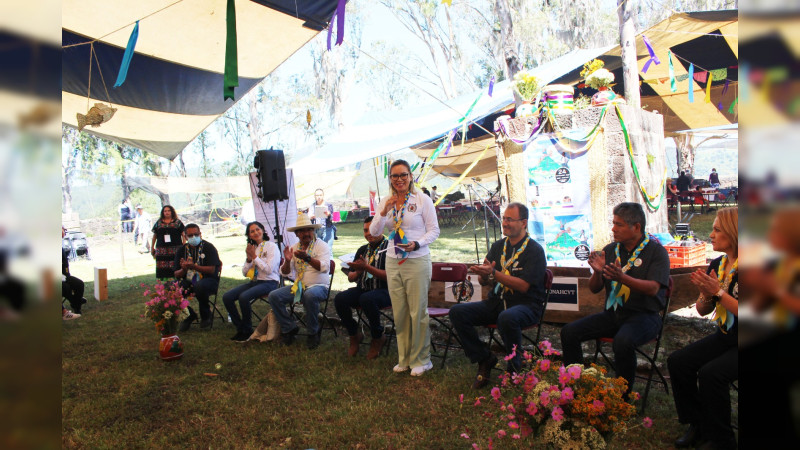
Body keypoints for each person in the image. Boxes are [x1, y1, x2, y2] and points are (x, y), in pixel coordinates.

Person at [560, 202, 670, 397]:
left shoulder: (656, 252)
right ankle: (576, 387)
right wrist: (598, 272)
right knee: (569, 332)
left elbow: (653, 289)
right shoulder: (610, 250)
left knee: (623, 341)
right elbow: (595, 289)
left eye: (619, 224)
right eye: (613, 223)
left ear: (636, 227)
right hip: (613, 315)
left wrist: (622, 277)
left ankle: (621, 398)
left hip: (645, 316)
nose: (613, 229)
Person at [449, 202, 546, 388]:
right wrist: (484, 276)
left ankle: (514, 369)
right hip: (497, 302)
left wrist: (494, 274)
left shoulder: (534, 250)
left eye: (510, 219)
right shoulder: (498, 246)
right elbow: (485, 283)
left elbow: (524, 286)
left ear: (524, 222)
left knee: (507, 317)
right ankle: (484, 358)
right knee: (457, 312)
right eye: (504, 219)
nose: (505, 223)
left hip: (526, 306)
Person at [668, 207, 738, 449]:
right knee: (679, 361)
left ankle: (722, 440)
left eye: (717, 230)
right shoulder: (718, 263)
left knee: (711, 373)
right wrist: (705, 294)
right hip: (727, 336)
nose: (711, 234)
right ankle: (697, 424)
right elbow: (702, 310)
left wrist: (717, 291)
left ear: (734, 233)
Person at [369, 159, 440, 376]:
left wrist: (417, 244)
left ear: (410, 176)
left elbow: (434, 230)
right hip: (393, 259)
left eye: (403, 175)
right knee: (399, 312)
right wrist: (383, 212)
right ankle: (405, 358)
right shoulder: (386, 201)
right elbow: (374, 232)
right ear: (390, 179)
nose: (399, 179)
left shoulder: (422, 199)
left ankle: (422, 359)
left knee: (417, 311)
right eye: (394, 176)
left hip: (417, 259)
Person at [268, 212, 333, 349]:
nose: (306, 233)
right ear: (296, 234)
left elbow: (325, 268)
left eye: (309, 229)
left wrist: (308, 258)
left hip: (319, 286)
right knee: (274, 296)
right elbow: (285, 272)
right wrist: (287, 260)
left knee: (310, 295)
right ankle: (289, 328)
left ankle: (312, 333)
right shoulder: (294, 247)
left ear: (313, 230)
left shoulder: (322, 245)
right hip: (299, 287)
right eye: (302, 231)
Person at [334, 216, 391, 359]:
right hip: (364, 289)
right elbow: (351, 277)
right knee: (340, 299)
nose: (368, 233)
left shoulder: (390, 248)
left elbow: (390, 277)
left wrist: (367, 267)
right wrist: (358, 271)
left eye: (372, 229)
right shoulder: (362, 249)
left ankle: (378, 337)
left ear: (381, 228)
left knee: (367, 299)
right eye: (365, 230)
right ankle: (354, 334)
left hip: (386, 291)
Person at [222, 221, 280, 342]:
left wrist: (254, 257)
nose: (255, 233)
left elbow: (269, 270)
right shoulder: (253, 248)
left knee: (244, 297)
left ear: (263, 230)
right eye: (252, 231)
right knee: (227, 297)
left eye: (257, 229)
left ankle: (247, 330)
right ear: (249, 235)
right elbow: (244, 272)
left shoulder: (271, 246)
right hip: (255, 282)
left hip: (270, 282)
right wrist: (249, 259)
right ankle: (240, 327)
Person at [173, 224, 222, 332]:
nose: (193, 237)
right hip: (189, 281)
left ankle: (206, 315)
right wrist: (184, 269)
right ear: (185, 236)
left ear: (200, 234)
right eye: (190, 235)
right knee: (173, 287)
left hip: (209, 280)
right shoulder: (182, 250)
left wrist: (195, 267)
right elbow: (176, 274)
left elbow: (212, 270)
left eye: (196, 234)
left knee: (200, 286)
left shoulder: (209, 247)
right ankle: (188, 314)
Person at [151, 205, 185, 279]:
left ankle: (176, 282)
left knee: (176, 265)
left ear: (172, 212)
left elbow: (183, 234)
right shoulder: (158, 223)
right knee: (163, 268)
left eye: (168, 211)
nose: (167, 212)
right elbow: (154, 236)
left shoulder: (177, 222)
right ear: (162, 213)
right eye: (165, 211)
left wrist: (184, 245)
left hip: (176, 249)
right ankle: (165, 285)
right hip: (161, 250)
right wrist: (152, 247)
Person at [62, 227, 86, 315]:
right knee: (65, 288)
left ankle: (77, 307)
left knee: (79, 284)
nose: (64, 230)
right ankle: (75, 301)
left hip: (64, 276)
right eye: (62, 228)